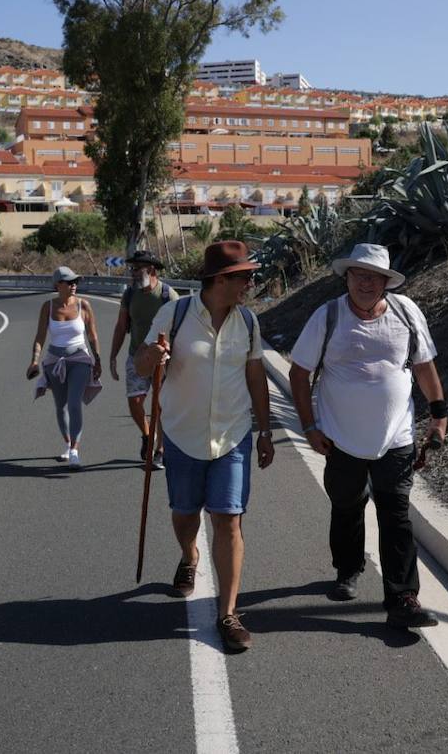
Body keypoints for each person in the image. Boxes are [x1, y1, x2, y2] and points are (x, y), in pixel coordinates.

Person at [288, 242, 448, 630]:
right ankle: (348, 569)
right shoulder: (327, 317)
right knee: (346, 504)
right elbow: (298, 373)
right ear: (347, 278)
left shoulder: (406, 312)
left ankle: (402, 597)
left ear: (386, 282)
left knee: (395, 513)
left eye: (374, 276)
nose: (366, 283)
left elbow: (423, 366)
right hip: (339, 437)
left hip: (395, 437)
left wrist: (439, 415)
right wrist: (309, 427)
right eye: (359, 275)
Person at [137, 240, 273, 653]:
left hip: (232, 436)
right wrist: (154, 354)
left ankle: (227, 613)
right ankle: (189, 554)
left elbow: (255, 378)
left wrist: (264, 431)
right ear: (219, 279)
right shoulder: (174, 313)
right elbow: (142, 368)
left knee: (229, 520)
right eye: (244, 276)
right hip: (181, 433)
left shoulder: (248, 322)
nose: (250, 282)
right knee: (184, 513)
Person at [108, 249, 178, 469]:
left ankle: (160, 449)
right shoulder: (130, 295)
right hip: (136, 355)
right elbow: (121, 326)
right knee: (135, 402)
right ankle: (147, 436)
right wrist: (112, 356)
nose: (133, 273)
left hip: (163, 360)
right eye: (132, 268)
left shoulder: (168, 296)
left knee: (161, 405)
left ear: (151, 269)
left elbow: (179, 329)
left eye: (137, 269)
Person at [28, 266, 103, 468]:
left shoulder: (83, 305)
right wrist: (35, 360)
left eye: (75, 282)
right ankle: (68, 443)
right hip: (54, 360)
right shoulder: (48, 307)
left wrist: (98, 359)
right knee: (60, 406)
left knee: (73, 403)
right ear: (57, 285)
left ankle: (75, 450)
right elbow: (40, 337)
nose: (73, 286)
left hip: (79, 358)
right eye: (69, 282)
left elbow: (93, 335)